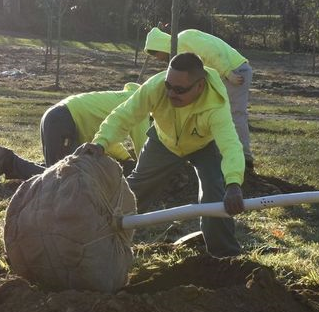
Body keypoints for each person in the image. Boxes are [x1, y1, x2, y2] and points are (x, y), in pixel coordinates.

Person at [90, 52, 245, 256]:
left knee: (214, 196)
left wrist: (233, 183)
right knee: (134, 190)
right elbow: (124, 115)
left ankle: (225, 256)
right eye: (168, 86)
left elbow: (230, 145)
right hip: (164, 141)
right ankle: (99, 243)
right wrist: (100, 143)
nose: (171, 94)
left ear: (199, 86)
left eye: (180, 89)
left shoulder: (216, 104)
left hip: (204, 145)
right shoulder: (155, 88)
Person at [0, 84, 150, 185]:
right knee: (61, 177)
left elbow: (109, 139)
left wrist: (126, 159)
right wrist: (142, 170)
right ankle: (8, 162)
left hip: (59, 117)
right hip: (63, 120)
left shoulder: (127, 98)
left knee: (63, 169)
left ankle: (8, 162)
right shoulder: (140, 106)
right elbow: (145, 148)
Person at [144, 26, 255, 169]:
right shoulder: (178, 51)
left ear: (161, 46)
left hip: (235, 71)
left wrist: (229, 73)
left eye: (159, 54)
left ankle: (244, 159)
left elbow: (212, 51)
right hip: (222, 75)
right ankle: (216, 153)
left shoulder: (183, 39)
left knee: (233, 114)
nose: (160, 59)